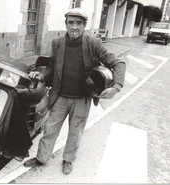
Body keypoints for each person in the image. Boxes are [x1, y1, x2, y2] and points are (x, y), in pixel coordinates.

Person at [24, 8, 126, 175]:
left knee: (75, 133)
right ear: (66, 24)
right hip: (60, 97)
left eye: (79, 23)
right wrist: (41, 75)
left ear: (84, 26)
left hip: (82, 99)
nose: (74, 27)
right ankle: (41, 158)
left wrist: (116, 87)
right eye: (71, 22)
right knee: (49, 130)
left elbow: (118, 63)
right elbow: (52, 67)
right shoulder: (57, 43)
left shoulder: (93, 44)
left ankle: (68, 160)